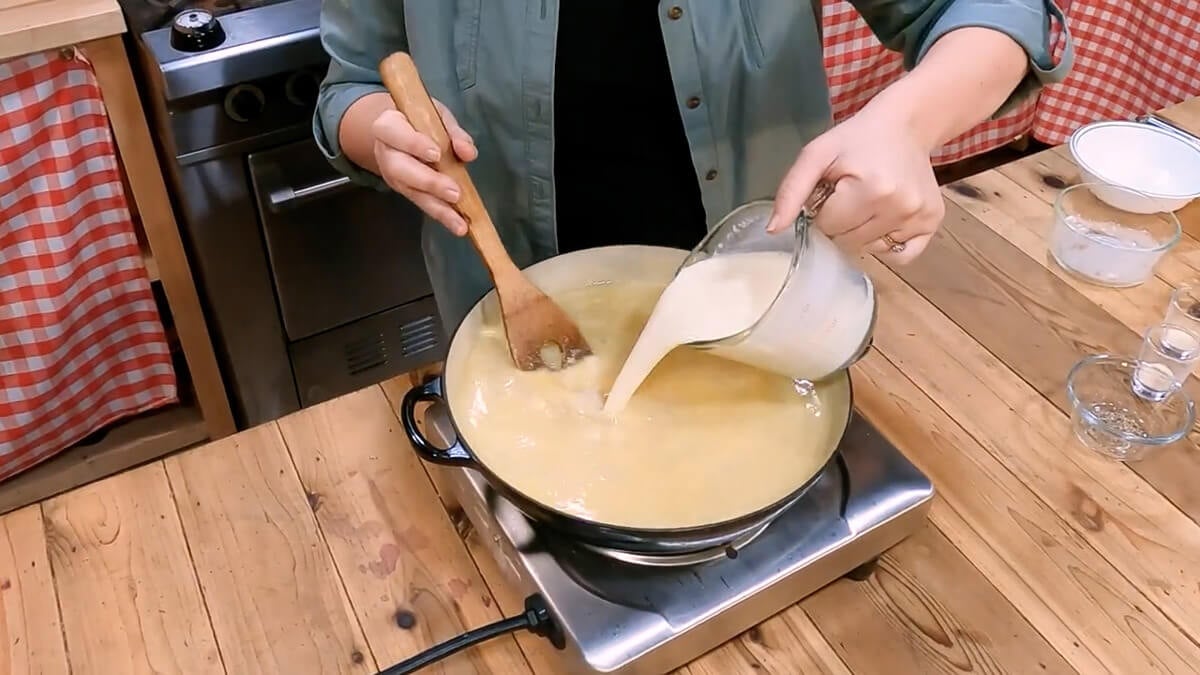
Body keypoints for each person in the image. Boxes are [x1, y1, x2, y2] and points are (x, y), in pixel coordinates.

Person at [315, 1, 1072, 333]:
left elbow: (998, 10)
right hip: (514, 313)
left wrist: (905, 124)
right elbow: (348, 85)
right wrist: (381, 131)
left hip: (762, 306)